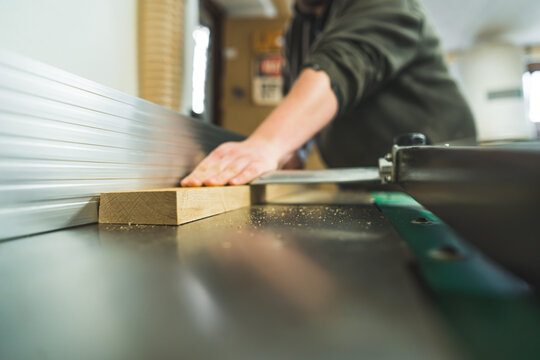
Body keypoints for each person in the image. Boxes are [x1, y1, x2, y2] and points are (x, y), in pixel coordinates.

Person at [181, 0, 476, 187]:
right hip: (362, 183)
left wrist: (266, 145)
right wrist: (291, 152)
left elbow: (339, 65)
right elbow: (297, 96)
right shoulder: (297, 29)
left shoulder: (388, 4)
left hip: (442, 182)